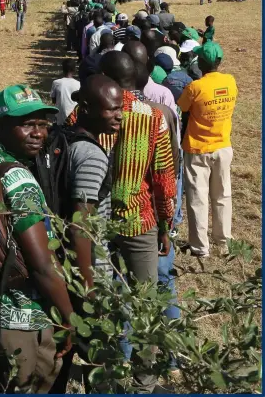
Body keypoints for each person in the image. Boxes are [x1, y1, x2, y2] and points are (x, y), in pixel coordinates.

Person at [0, 85, 74, 394]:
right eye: (27, 124)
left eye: (43, 124)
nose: (39, 133)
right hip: (22, 321)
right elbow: (42, 265)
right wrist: (70, 319)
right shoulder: (19, 179)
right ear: (0, 126)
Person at [100, 52, 176, 392]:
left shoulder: (85, 111)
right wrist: (165, 226)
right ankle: (144, 382)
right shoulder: (153, 118)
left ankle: (111, 371)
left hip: (97, 225)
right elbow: (163, 179)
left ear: (105, 78)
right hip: (141, 221)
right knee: (144, 305)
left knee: (106, 303)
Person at [51, 75, 123, 394]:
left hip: (61, 264)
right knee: (97, 361)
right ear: (88, 108)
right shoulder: (92, 155)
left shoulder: (64, 138)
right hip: (88, 273)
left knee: (62, 354)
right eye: (112, 109)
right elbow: (82, 224)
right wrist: (89, 287)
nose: (119, 114)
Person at [178, 42, 237, 258]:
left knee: (197, 198)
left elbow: (183, 107)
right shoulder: (230, 82)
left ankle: (200, 247)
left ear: (200, 62)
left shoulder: (195, 87)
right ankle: (223, 243)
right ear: (219, 62)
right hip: (223, 146)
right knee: (223, 195)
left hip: (197, 149)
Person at [50, 58, 80, 125]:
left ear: (62, 69)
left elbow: (54, 101)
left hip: (60, 119)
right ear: (74, 70)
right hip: (74, 119)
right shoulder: (79, 84)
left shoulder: (56, 83)